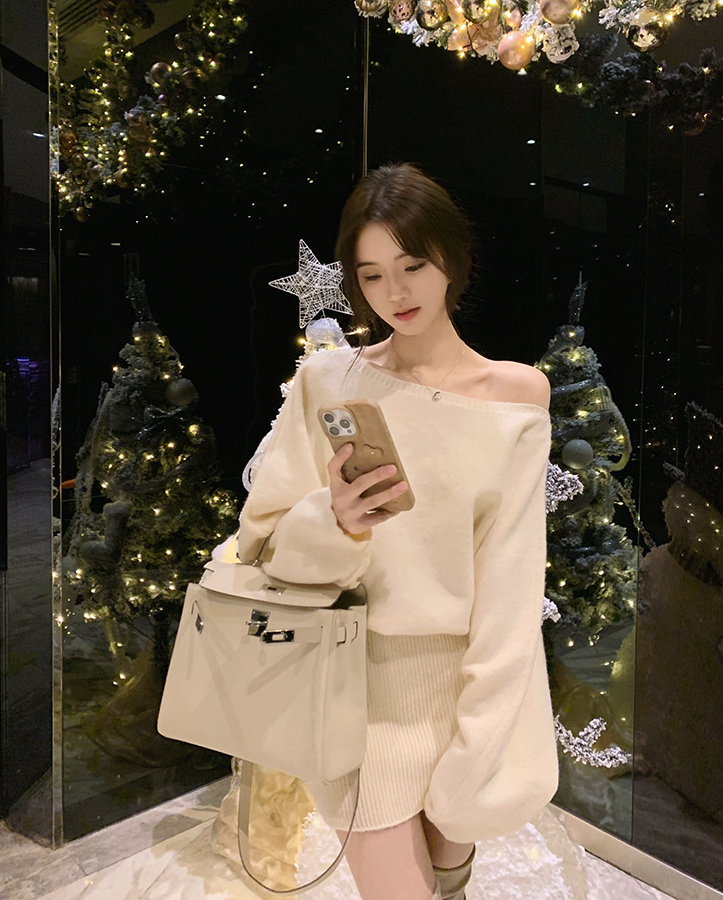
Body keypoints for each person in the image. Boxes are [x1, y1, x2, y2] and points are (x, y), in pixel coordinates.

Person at [224, 163, 559, 900]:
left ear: (452, 260)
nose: (395, 293)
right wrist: (334, 521)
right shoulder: (328, 382)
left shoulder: (515, 398)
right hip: (352, 689)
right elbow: (262, 539)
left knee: (451, 883)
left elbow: (510, 578)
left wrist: (484, 732)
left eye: (412, 266)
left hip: (462, 691)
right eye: (371, 275)